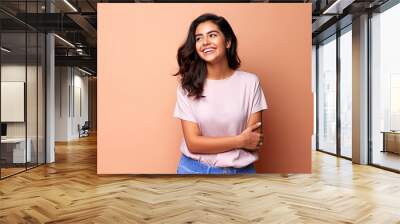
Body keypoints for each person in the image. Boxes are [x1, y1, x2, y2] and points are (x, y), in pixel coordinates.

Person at [173, 13, 268, 174]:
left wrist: (244, 141)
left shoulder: (250, 83)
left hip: (242, 173)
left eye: (212, 35)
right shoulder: (186, 88)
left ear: (228, 42)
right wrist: (239, 140)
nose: (205, 42)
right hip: (194, 170)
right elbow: (193, 144)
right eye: (198, 38)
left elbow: (253, 140)